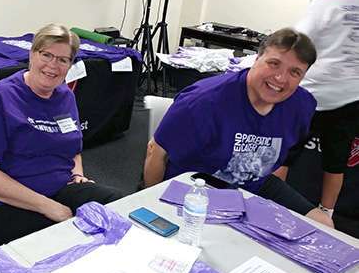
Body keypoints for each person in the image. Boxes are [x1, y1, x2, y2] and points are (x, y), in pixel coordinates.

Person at [143, 28, 333, 227]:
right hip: (196, 188)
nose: (281, 78)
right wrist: (153, 212)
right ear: (257, 58)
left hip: (253, 186)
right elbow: (156, 152)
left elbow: (282, 159)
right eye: (274, 64)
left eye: (295, 72)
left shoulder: (302, 106)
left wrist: (270, 210)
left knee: (323, 223)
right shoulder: (203, 102)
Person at [0, 23, 122, 245]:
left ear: (70, 65)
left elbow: (73, 150)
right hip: (0, 204)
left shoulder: (65, 95)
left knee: (121, 206)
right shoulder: (1, 97)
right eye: (46, 55)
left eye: (62, 60)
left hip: (59, 190)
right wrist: (48, 207)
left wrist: (77, 175)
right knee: (71, 241)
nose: (53, 65)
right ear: (31, 54)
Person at [275, 0, 359, 219]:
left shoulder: (323, 4)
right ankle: (326, 214)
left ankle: (270, 204)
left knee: (286, 153)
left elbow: (298, 42)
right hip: (351, 96)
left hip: (313, 93)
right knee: (336, 161)